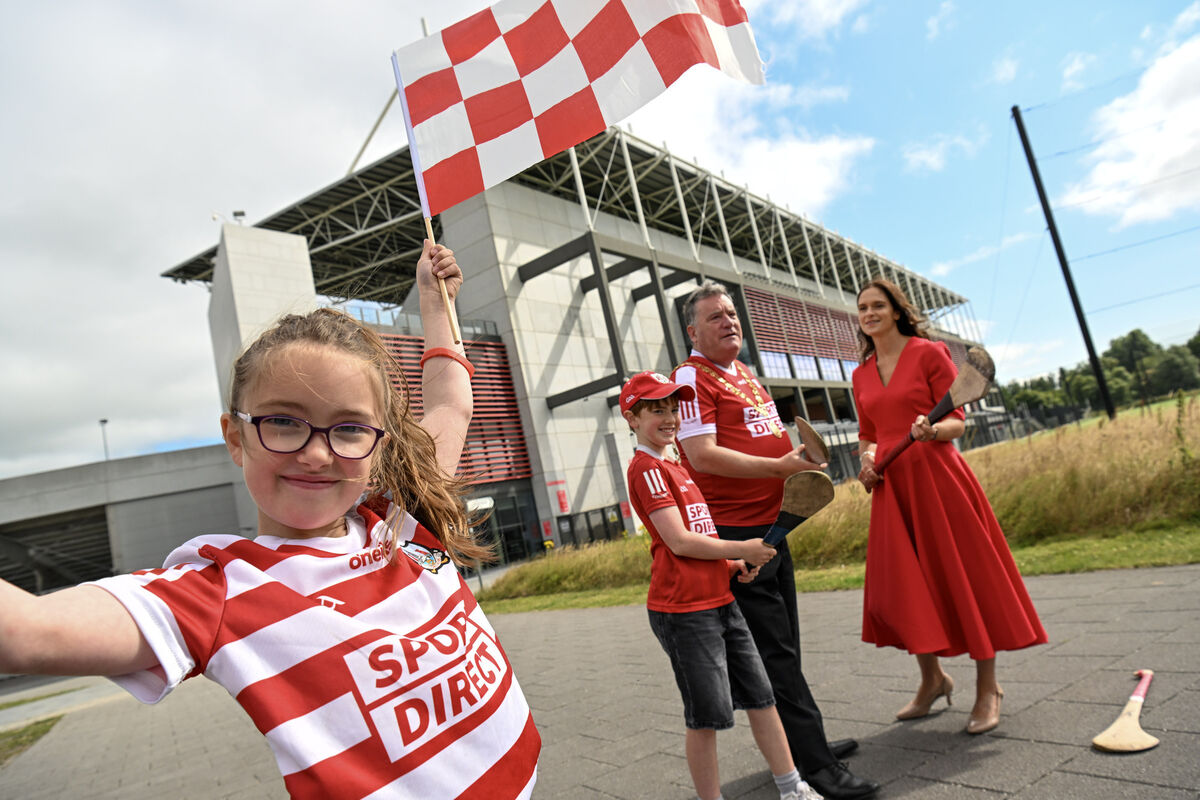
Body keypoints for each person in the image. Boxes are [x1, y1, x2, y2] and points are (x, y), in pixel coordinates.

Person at [0, 241, 541, 799]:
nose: (317, 452)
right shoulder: (220, 593)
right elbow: (23, 634)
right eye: (284, 421)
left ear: (379, 446)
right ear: (236, 437)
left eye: (350, 428)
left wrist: (433, 301)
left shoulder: (404, 523)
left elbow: (451, 405)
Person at [672, 282, 879, 800]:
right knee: (776, 654)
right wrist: (780, 464)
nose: (730, 321)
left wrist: (796, 464)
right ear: (692, 331)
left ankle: (808, 748)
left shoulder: (743, 373)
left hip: (776, 527)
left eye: (732, 313)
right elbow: (701, 454)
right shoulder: (690, 378)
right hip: (739, 538)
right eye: (715, 317)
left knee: (786, 645)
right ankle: (816, 768)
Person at [853, 277, 1047, 735]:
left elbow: (957, 422)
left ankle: (988, 688)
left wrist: (931, 429)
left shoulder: (928, 353)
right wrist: (865, 460)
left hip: (939, 481)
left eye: (878, 305)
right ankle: (933, 680)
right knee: (906, 587)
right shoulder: (860, 373)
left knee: (966, 580)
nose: (869, 314)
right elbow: (868, 431)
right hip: (892, 487)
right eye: (862, 308)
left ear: (897, 311)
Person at [620, 371, 821, 800]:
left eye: (673, 408)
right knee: (707, 716)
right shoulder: (648, 469)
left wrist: (731, 564)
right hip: (684, 611)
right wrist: (745, 546)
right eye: (657, 409)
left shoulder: (677, 465)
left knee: (762, 697)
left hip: (719, 597)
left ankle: (793, 789)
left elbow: (701, 539)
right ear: (631, 419)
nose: (670, 417)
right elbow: (678, 540)